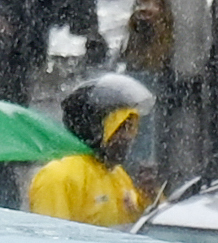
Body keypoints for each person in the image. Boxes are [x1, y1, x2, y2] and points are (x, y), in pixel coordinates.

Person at [26, 72, 152, 225]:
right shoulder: (58, 177)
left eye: (131, 128)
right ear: (95, 128)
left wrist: (148, 197)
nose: (128, 137)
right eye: (120, 128)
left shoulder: (117, 175)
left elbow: (130, 229)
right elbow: (52, 241)